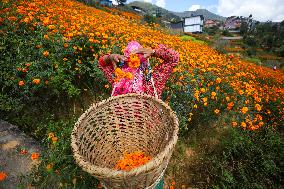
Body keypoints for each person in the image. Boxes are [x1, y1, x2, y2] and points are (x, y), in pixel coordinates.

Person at [98, 41, 179, 99]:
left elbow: (174, 58)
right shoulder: (119, 78)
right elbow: (101, 64)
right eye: (129, 59)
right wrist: (110, 57)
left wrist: (153, 51)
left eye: (136, 58)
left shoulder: (151, 82)